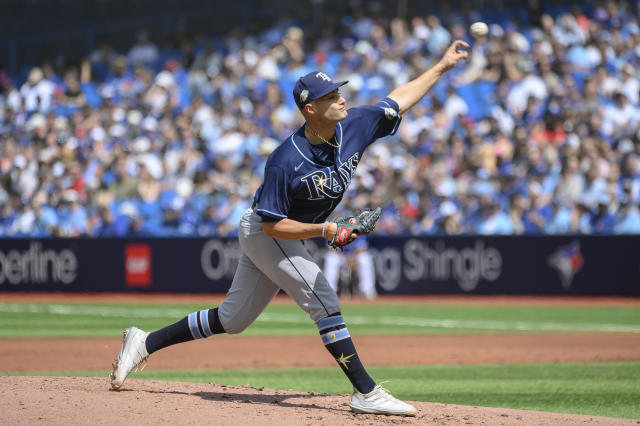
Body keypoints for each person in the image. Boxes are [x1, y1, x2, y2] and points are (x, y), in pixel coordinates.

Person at [110, 39, 469, 417]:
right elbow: (274, 227)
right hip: (266, 230)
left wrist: (442, 66)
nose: (342, 99)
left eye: (339, 91)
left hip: (281, 231)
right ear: (311, 109)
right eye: (332, 96)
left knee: (232, 320)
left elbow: (399, 99)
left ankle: (144, 341)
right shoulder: (285, 161)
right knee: (325, 301)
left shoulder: (356, 125)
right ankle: (366, 392)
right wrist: (328, 230)